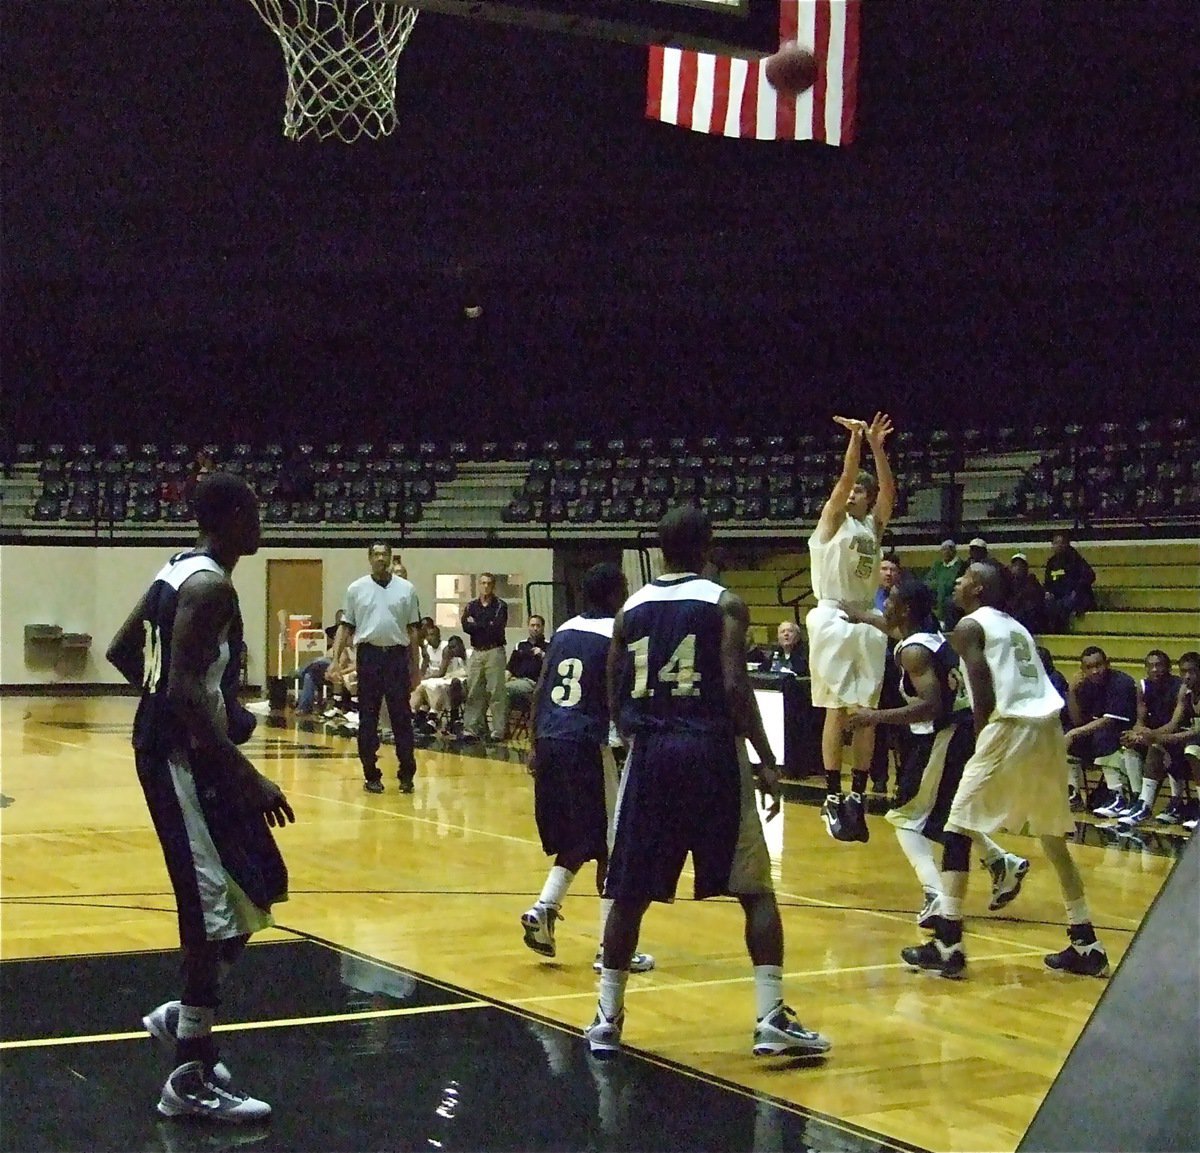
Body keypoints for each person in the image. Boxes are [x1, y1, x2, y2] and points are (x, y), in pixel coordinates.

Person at [586, 506, 831, 1061]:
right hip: (711, 750)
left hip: (651, 753)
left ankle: (607, 1017)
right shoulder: (725, 602)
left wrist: (634, 733)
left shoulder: (630, 609)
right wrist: (766, 758)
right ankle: (770, 1017)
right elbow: (735, 684)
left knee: (628, 894)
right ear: (708, 546)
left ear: (661, 548)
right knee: (754, 889)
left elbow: (613, 685)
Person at [104, 472, 295, 1123]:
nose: (262, 521)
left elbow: (126, 651)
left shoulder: (176, 570)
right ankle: (188, 1075)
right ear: (233, 516)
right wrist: (249, 776)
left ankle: (184, 1017)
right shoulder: (211, 586)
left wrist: (216, 707)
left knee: (259, 883)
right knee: (211, 907)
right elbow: (182, 690)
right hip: (181, 760)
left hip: (191, 751)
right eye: (255, 511)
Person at [900, 559, 1109, 979]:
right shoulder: (1015, 626)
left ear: (978, 589)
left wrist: (982, 740)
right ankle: (1086, 942)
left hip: (1010, 725)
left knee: (956, 824)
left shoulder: (969, 626)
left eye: (964, 578)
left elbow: (982, 689)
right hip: (1047, 726)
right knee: (1052, 839)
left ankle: (948, 943)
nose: (957, 583)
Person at [843, 577, 1029, 929]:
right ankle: (1001, 862)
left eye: (890, 599)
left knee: (904, 818)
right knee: (949, 814)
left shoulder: (914, 652)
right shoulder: (930, 636)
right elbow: (889, 627)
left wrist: (873, 717)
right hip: (958, 732)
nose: (885, 604)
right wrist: (858, 614)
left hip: (945, 735)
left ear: (905, 609)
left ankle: (935, 894)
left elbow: (931, 706)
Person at [520, 564, 654, 975]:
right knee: (614, 847)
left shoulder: (564, 631)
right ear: (613, 594)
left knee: (580, 838)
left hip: (550, 739)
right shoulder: (617, 633)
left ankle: (544, 908)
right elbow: (619, 695)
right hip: (585, 742)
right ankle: (610, 949)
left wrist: (533, 743)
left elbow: (541, 689)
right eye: (624, 588)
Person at [804, 412, 895, 843]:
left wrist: (878, 446)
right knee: (836, 708)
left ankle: (857, 794)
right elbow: (844, 478)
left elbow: (889, 492)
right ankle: (831, 794)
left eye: (862, 489)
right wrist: (857, 439)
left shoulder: (872, 526)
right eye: (853, 489)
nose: (855, 490)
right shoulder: (830, 521)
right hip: (832, 615)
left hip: (865, 618)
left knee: (866, 713)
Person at [332, 542, 422, 794]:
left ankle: (407, 774)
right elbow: (346, 626)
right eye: (377, 554)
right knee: (368, 718)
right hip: (369, 656)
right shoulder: (356, 589)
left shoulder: (406, 589)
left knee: (401, 717)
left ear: (391, 558)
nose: (381, 558)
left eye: (385, 554)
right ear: (370, 558)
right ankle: (371, 773)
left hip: (396, 656)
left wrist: (415, 667)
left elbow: (413, 631)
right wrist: (335, 660)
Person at [1117, 650, 1190, 827]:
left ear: (1169, 667)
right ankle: (1137, 798)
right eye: (1150, 666)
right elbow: (1139, 721)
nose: (1155, 669)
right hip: (1153, 735)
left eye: (1159, 665)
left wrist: (1150, 736)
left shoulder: (1180, 687)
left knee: (1156, 747)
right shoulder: (1143, 687)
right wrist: (1137, 734)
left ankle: (1154, 804)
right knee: (1129, 745)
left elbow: (1174, 725)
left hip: (1175, 737)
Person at [1064, 646, 1138, 819]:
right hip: (1098, 732)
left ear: (1108, 664)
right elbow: (1077, 721)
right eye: (1089, 667)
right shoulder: (1084, 685)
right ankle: (1074, 793)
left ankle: (1118, 795)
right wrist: (1072, 692)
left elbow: (1110, 720)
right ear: (1083, 670)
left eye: (1098, 665)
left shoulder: (1121, 682)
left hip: (1125, 732)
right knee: (1068, 736)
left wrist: (1074, 733)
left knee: (1102, 736)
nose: (1095, 671)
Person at [460, 573, 509, 742]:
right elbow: (466, 626)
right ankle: (471, 728)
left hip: (494, 651)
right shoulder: (471, 605)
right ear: (479, 585)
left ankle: (498, 730)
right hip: (476, 651)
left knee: (496, 692)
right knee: (474, 690)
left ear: (493, 586)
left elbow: (495, 627)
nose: (486, 586)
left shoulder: (500, 606)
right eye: (483, 583)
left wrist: (476, 624)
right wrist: (483, 624)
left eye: (489, 583)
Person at [411, 634, 469, 734]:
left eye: (454, 647)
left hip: (466, 687)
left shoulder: (469, 654)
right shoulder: (458, 659)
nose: (453, 650)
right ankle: (415, 714)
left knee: (444, 686)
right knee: (424, 686)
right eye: (451, 648)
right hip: (447, 683)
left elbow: (443, 672)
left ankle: (435, 716)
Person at [294, 609, 346, 715]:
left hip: (337, 663)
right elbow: (323, 641)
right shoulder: (330, 631)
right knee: (310, 675)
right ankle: (304, 707)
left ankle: (300, 671)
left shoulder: (349, 632)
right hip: (328, 661)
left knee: (318, 661)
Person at [1043, 531, 1096, 632]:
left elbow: (1090, 576)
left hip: (1074, 595)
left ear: (1067, 544)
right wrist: (1048, 592)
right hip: (1057, 597)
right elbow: (1048, 583)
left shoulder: (1075, 559)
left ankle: (1062, 630)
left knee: (1066, 603)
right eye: (1056, 543)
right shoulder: (1051, 562)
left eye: (1061, 542)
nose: (1059, 546)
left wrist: (1076, 590)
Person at [507, 614, 548, 716]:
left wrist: (543, 655)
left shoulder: (549, 646)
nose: (535, 628)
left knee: (504, 689)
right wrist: (505, 679)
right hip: (517, 681)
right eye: (532, 625)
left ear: (543, 628)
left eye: (538, 626)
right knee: (496, 690)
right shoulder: (520, 645)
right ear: (528, 627)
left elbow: (553, 666)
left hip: (534, 683)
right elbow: (510, 668)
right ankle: (502, 724)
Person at [924, 539, 965, 628]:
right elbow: (927, 581)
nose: (946, 552)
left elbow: (951, 583)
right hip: (936, 597)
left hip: (951, 598)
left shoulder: (959, 565)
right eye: (943, 549)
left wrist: (938, 584)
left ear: (954, 551)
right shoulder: (937, 565)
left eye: (948, 549)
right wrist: (939, 584)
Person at [1007, 553, 1046, 635]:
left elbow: (1034, 604)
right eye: (1015, 565)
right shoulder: (1008, 584)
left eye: (1020, 565)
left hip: (1029, 619)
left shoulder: (1032, 582)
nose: (1017, 568)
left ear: (1026, 568)